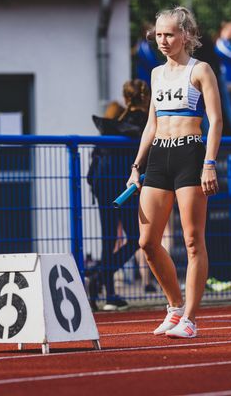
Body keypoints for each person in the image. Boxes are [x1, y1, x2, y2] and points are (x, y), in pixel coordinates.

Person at [128, 6, 222, 338]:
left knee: (194, 240)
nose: (163, 40)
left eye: (169, 34)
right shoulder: (155, 74)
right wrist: (136, 167)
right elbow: (151, 125)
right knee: (147, 242)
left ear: (186, 35)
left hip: (190, 154)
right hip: (159, 156)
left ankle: (191, 320)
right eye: (158, 35)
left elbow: (215, 121)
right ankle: (174, 307)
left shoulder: (201, 70)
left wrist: (209, 162)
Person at [88, 79, 150, 310]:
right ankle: (102, 278)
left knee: (109, 239)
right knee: (135, 238)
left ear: (126, 99)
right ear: (145, 98)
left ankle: (107, 290)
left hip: (103, 184)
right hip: (125, 186)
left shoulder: (112, 124)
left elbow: (96, 155)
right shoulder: (145, 124)